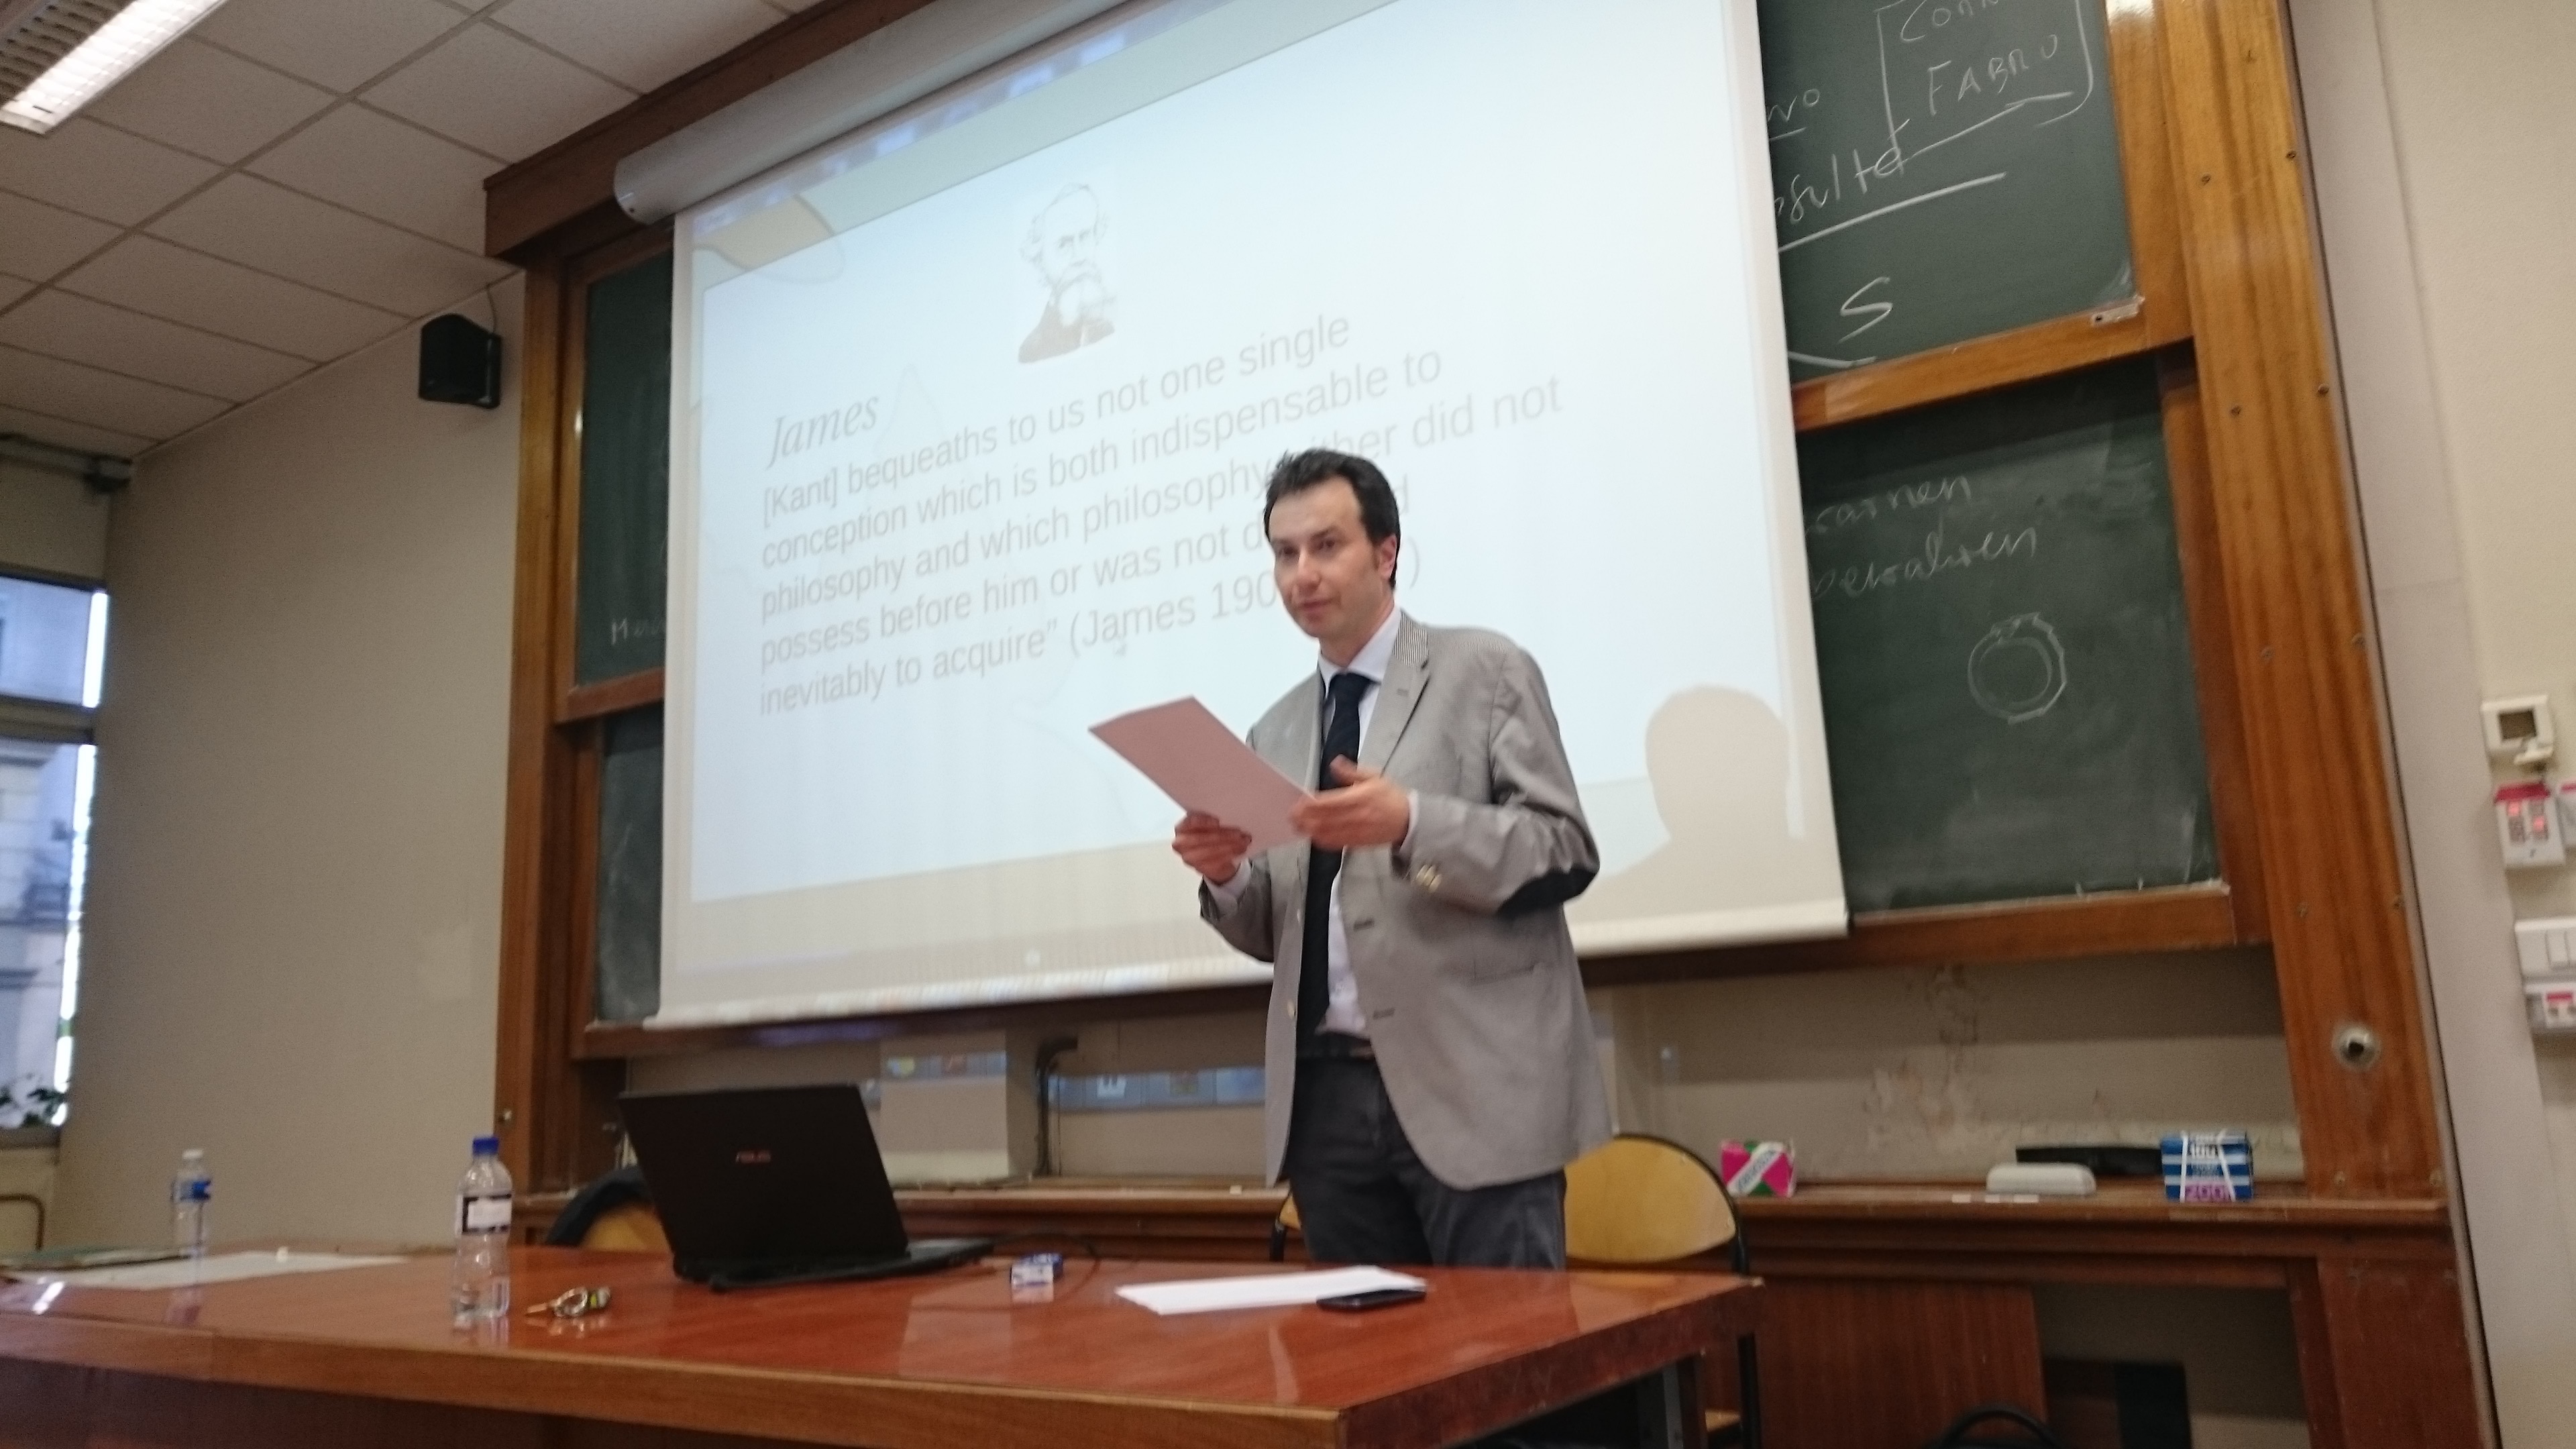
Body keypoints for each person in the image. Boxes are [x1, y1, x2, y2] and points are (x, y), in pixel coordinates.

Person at [1174, 449, 1609, 1268]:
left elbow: (1564, 849)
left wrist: (1411, 823)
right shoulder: (1276, 728)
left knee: (1509, 1343)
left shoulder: (1485, 672)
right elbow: (1278, 933)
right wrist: (1226, 873)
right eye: (1284, 553)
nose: (1302, 574)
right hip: (1327, 1103)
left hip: (1474, 1089)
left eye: (1326, 546)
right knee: (1364, 1342)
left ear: (1386, 552)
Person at [1016, 184, 1114, 362]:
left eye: (1085, 236)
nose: (1079, 256)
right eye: (1063, 244)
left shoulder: (1116, 322)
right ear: (1039, 259)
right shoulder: (1031, 352)